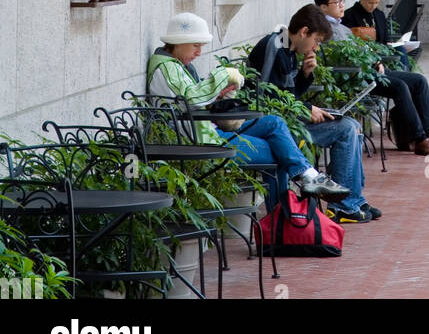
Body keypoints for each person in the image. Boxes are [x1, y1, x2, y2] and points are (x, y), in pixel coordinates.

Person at [146, 12, 350, 209]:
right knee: (279, 152)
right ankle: (285, 217)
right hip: (201, 140)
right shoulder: (166, 67)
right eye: (196, 46)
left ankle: (305, 181)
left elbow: (194, 99)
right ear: (178, 42)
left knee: (274, 123)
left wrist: (221, 94)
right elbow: (191, 98)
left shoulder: (177, 65)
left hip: (209, 130)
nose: (199, 52)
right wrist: (223, 76)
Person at [247, 4, 380, 224]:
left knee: (351, 126)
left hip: (286, 121)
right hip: (274, 127)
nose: (316, 47)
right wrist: (306, 110)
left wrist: (304, 74)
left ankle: (354, 200)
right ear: (303, 32)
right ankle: (344, 206)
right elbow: (267, 98)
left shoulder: (287, 49)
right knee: (346, 129)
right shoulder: (275, 48)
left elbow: (288, 94)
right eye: (316, 40)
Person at [313, 0, 429, 156]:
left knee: (418, 80)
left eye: (342, 0)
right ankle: (419, 139)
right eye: (337, 2)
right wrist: (368, 64)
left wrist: (376, 60)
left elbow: (363, 50)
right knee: (400, 86)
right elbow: (342, 60)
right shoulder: (324, 30)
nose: (342, 5)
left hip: (372, 70)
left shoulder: (342, 26)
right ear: (323, 7)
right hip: (356, 77)